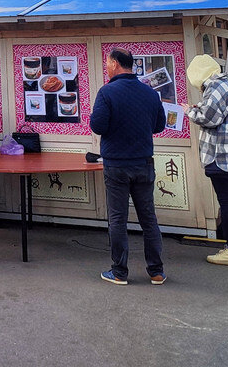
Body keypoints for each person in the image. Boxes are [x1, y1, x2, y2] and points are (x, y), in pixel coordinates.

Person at [89, 47, 166, 286]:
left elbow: (98, 126)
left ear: (114, 64)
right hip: (144, 163)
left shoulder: (107, 92)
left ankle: (119, 272)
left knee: (118, 219)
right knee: (148, 218)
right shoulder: (149, 93)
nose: (106, 66)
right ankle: (156, 271)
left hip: (117, 166)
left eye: (107, 62)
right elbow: (159, 125)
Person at [182, 55, 228, 268]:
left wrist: (189, 111)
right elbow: (216, 113)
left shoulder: (215, 88)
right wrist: (200, 108)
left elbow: (208, 119)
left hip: (219, 155)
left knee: (227, 203)